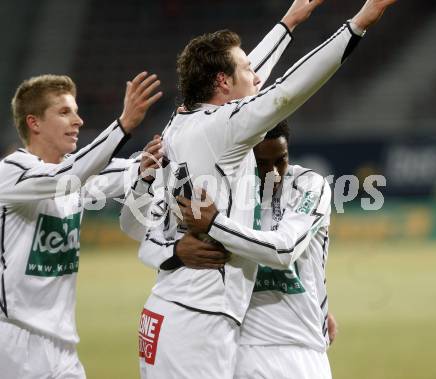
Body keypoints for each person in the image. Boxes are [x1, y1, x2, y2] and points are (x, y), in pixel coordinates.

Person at [121, 1, 397, 377]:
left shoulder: (183, 120)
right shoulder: (223, 128)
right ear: (221, 82)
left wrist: (290, 22)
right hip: (196, 319)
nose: (256, 75)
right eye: (247, 69)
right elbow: (287, 91)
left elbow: (250, 80)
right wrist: (360, 23)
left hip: (173, 309)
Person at [0, 71, 162, 379]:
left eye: (75, 111)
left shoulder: (78, 177)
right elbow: (66, 177)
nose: (78, 121)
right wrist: (123, 125)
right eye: (64, 112)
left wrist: (157, 157)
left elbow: (124, 172)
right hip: (14, 342)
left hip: (63, 345)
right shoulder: (11, 172)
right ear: (34, 123)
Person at [178, 122, 336, 378]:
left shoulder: (309, 185)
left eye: (281, 160)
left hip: (303, 349)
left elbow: (285, 250)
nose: (273, 172)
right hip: (241, 347)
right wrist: (176, 250)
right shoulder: (224, 192)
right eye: (262, 164)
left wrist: (215, 224)